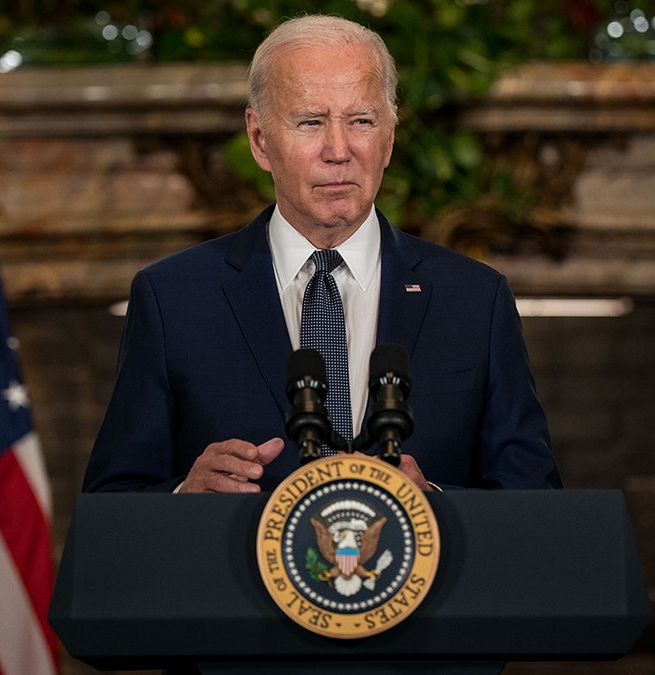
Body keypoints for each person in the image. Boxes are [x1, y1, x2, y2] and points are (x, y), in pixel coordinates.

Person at [82, 14, 561, 495]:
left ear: (389, 136)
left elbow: (538, 505)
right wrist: (184, 496)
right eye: (311, 122)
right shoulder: (173, 298)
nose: (339, 150)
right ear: (260, 139)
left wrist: (432, 505)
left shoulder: (477, 299)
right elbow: (110, 504)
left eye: (361, 121)